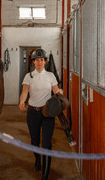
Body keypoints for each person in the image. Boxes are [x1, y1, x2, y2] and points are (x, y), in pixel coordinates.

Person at [19, 48, 63, 180]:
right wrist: (22, 102)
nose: (39, 62)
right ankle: (37, 159)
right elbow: (25, 91)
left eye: (42, 60)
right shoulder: (29, 76)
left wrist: (59, 91)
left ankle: (45, 175)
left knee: (47, 143)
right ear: (33, 62)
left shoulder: (50, 76)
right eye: (37, 60)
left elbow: (55, 89)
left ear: (45, 62)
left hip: (47, 112)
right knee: (34, 141)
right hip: (33, 112)